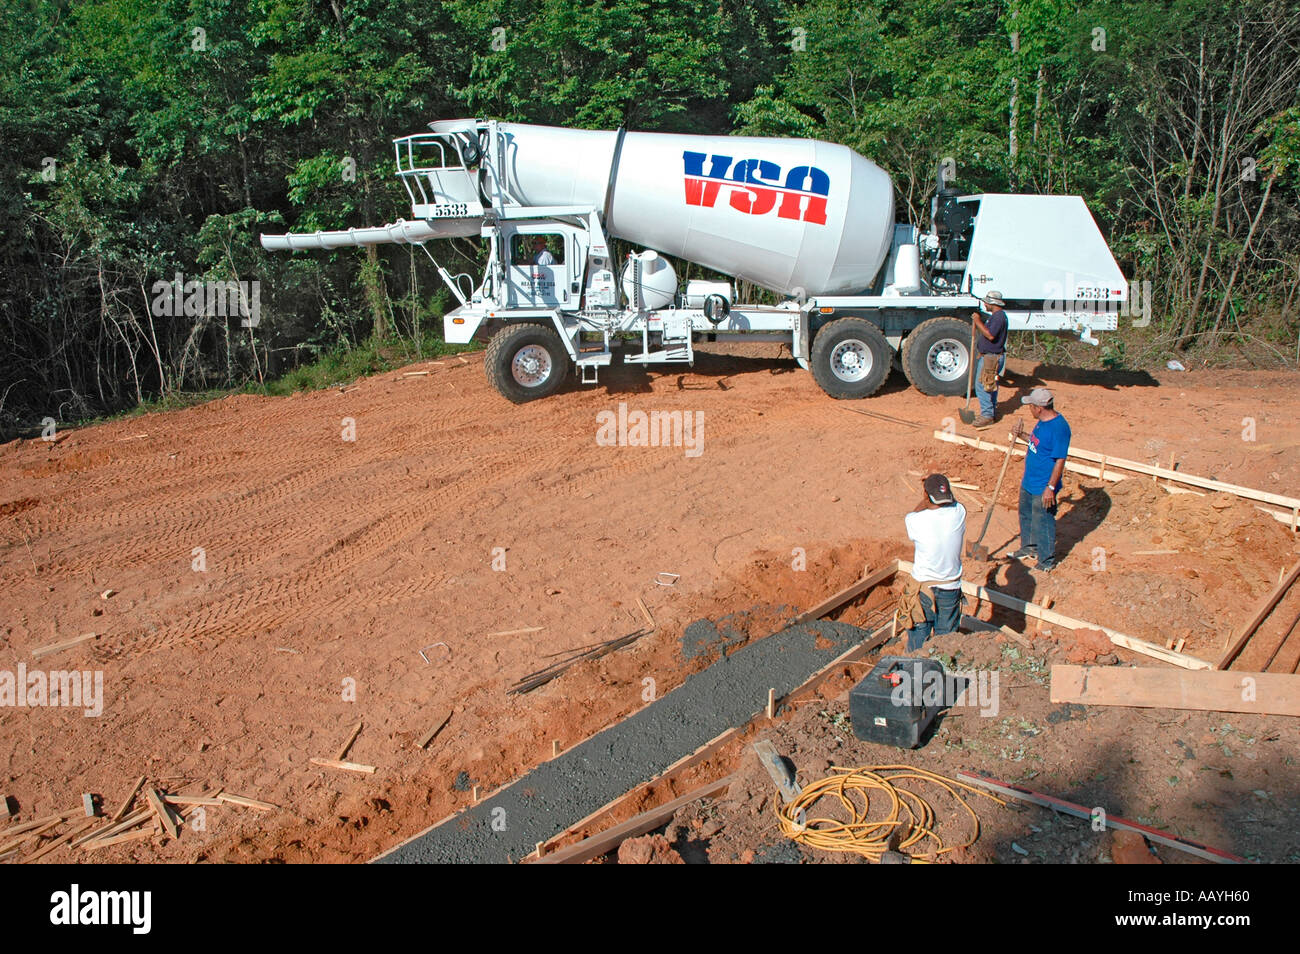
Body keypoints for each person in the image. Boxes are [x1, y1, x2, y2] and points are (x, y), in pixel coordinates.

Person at [896, 473, 967, 651]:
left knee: (918, 643)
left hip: (923, 590)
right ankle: (941, 675)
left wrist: (925, 496)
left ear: (926, 496)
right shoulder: (960, 512)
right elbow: (953, 502)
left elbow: (916, 511)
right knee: (946, 645)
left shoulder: (914, 520)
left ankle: (914, 676)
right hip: (950, 588)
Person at [1009, 387, 1071, 572]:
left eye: (1031, 406)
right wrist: (1021, 435)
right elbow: (1037, 444)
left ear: (1039, 408)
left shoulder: (1059, 428)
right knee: (1026, 514)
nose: (1029, 409)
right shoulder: (1042, 422)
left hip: (1044, 485)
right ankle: (1029, 547)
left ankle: (1046, 561)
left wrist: (1050, 487)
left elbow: (1060, 460)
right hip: (1029, 480)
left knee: (1044, 521)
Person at [970, 290, 1008, 429]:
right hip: (991, 356)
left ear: (993, 303)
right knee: (990, 384)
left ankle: (987, 415)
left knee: (983, 385)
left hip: (992, 357)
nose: (984, 304)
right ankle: (990, 412)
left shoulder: (998, 318)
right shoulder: (997, 317)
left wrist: (977, 321)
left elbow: (990, 335)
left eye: (986, 302)